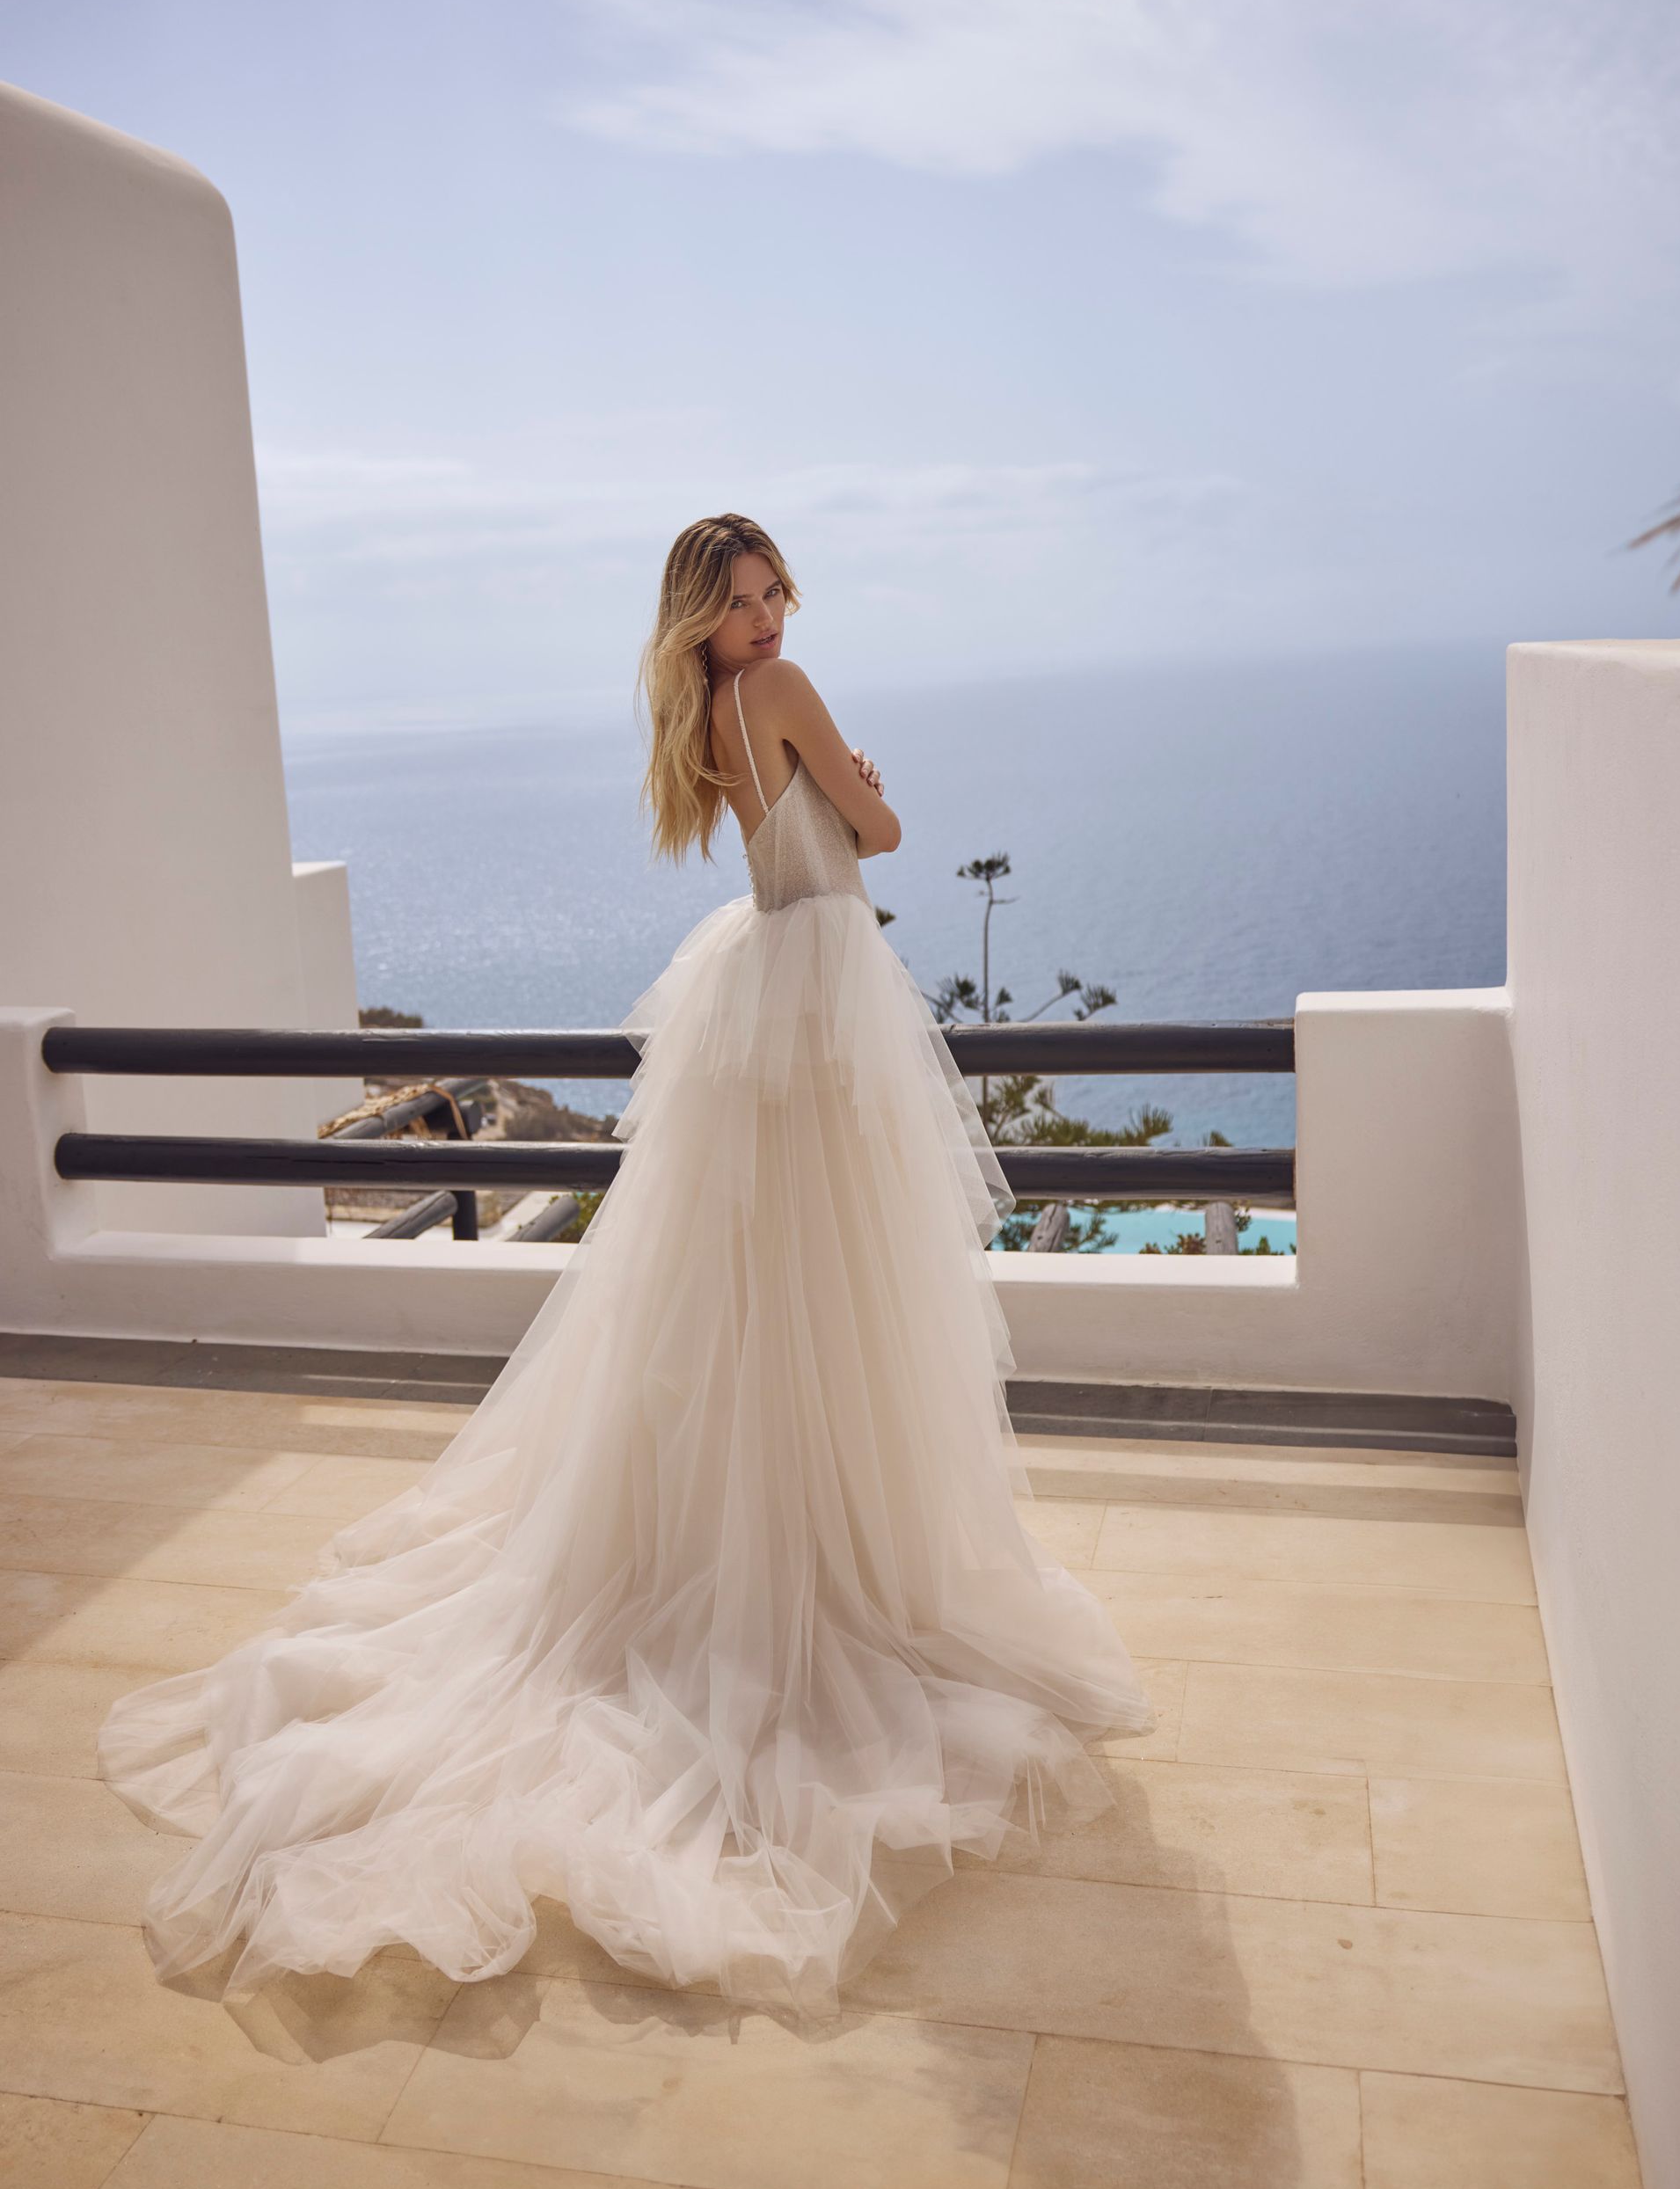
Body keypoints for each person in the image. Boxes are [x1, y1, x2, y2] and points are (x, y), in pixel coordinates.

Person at [97, 512, 1156, 2026]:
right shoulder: (782, 696)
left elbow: (807, 823)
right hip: (822, 993)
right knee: (836, 1295)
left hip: (766, 996)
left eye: (777, 590)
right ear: (704, 623)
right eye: (744, 603)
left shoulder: (709, 716)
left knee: (762, 1296)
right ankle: (833, 1550)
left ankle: (769, 1542)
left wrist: (841, 793)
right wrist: (872, 793)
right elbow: (887, 837)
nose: (772, 617)